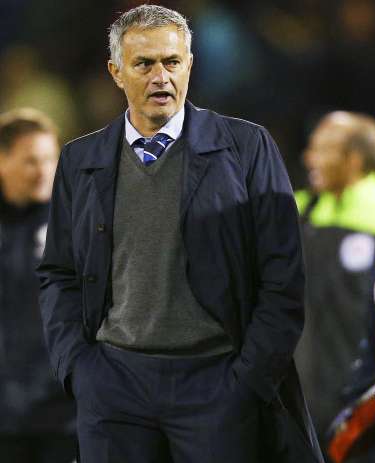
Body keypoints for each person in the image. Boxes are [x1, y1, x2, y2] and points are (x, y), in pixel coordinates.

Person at [37, 5, 322, 463]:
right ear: (115, 72)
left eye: (172, 62)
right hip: (114, 385)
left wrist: (247, 381)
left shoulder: (247, 147)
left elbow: (283, 276)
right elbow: (59, 273)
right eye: (144, 64)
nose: (161, 77)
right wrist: (78, 369)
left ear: (190, 64)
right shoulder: (79, 159)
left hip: (217, 383)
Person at [294, 112, 375, 463]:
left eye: (323, 149)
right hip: (309, 398)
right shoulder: (302, 210)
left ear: (353, 159)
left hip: (364, 406)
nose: (309, 158)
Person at [0, 108, 75, 462]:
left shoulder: (76, 222)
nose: (44, 171)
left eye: (50, 159)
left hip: (63, 414)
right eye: (31, 161)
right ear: (2, 161)